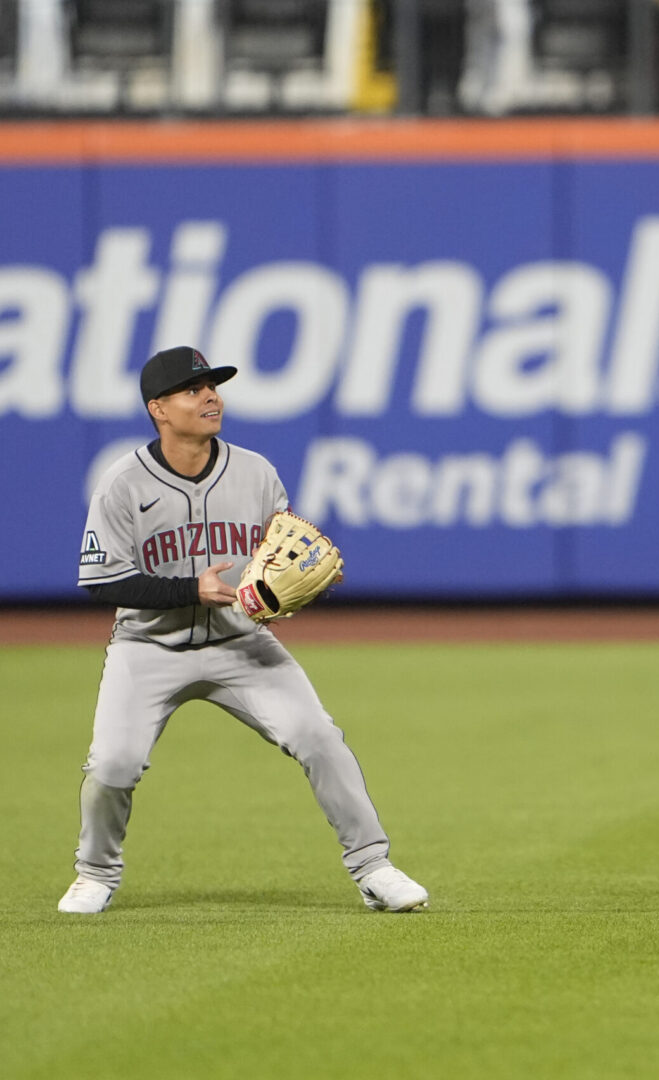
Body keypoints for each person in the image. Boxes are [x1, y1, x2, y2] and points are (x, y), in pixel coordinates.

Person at [58, 346, 429, 915]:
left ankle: (373, 867)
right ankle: (95, 873)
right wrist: (189, 590)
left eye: (213, 385)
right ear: (159, 408)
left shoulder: (255, 472)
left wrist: (284, 592)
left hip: (241, 643)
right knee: (113, 765)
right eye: (193, 389)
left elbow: (284, 562)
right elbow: (100, 581)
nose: (211, 396)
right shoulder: (123, 482)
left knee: (320, 738)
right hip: (148, 648)